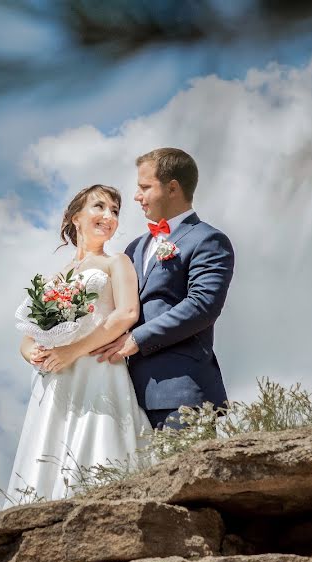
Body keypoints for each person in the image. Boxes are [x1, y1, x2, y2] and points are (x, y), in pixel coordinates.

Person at [4, 184, 151, 506]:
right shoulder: (57, 276)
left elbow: (127, 313)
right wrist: (32, 352)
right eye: (99, 207)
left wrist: (72, 351)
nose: (108, 216)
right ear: (75, 217)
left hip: (96, 369)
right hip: (57, 377)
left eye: (114, 211)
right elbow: (29, 334)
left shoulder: (117, 263)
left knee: (99, 444)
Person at [92, 148, 235, 430]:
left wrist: (138, 339)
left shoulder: (209, 240)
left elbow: (202, 305)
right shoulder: (134, 247)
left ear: (172, 188)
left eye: (145, 187)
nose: (136, 196)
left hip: (180, 392)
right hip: (126, 395)